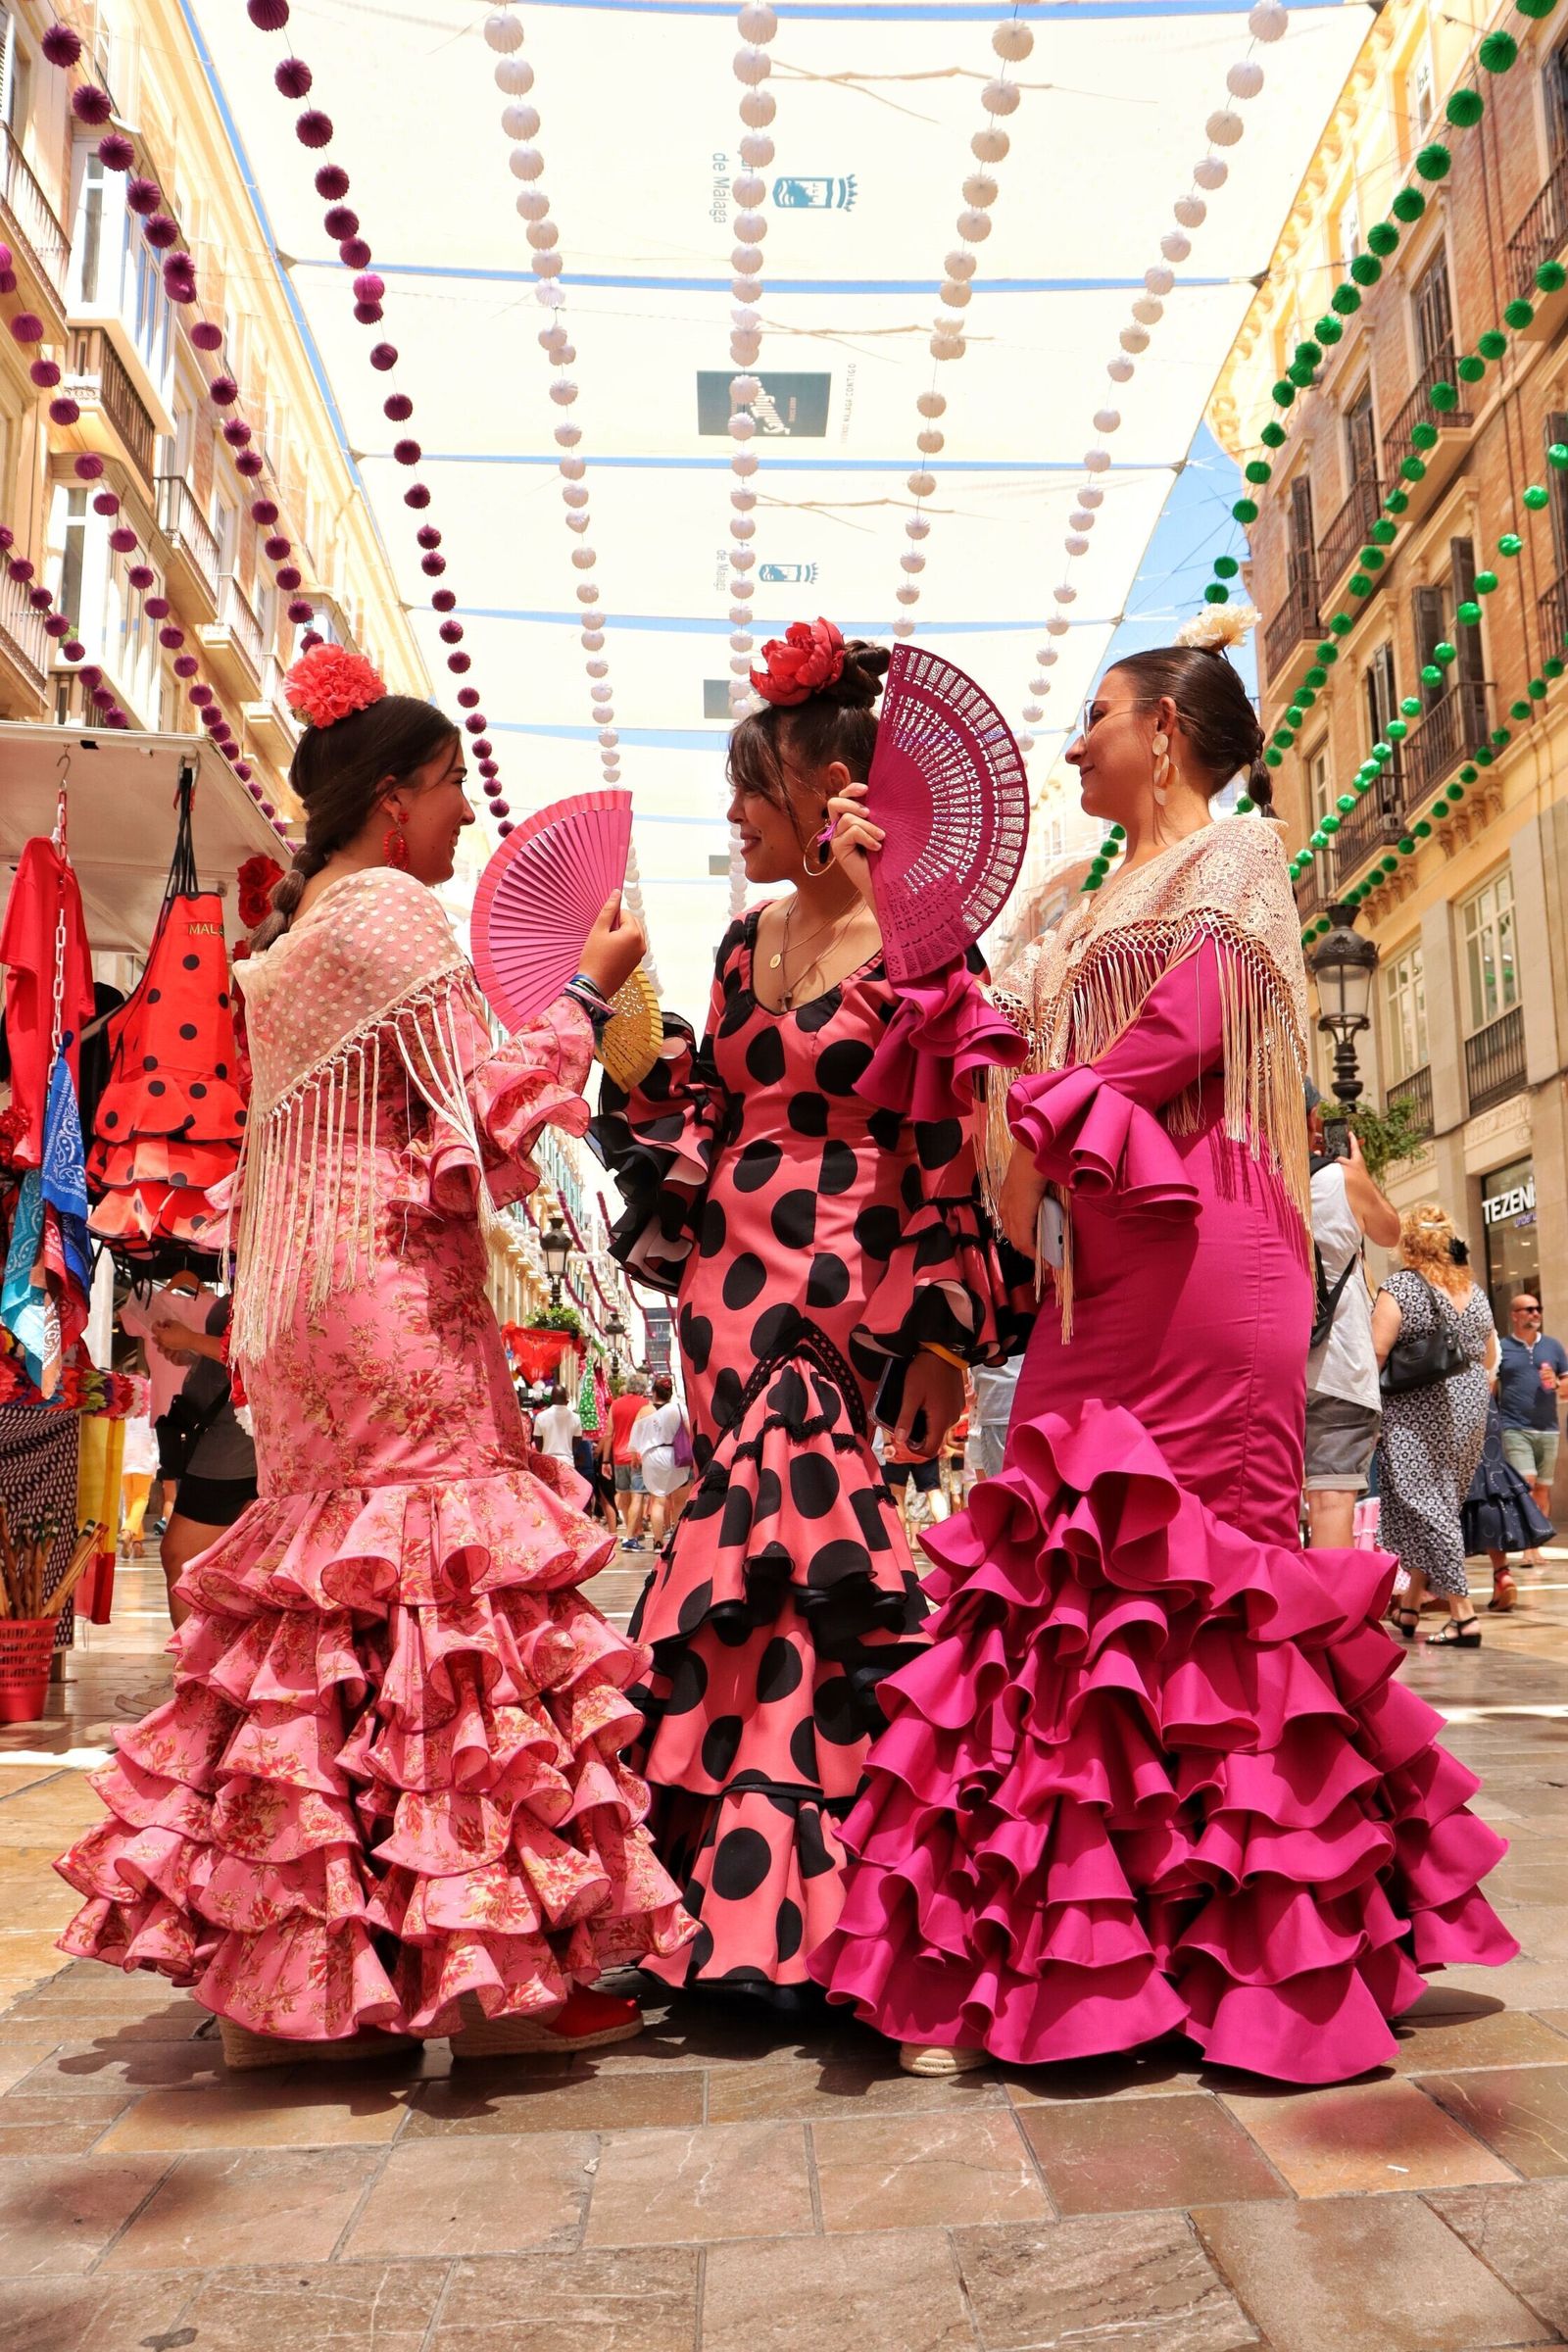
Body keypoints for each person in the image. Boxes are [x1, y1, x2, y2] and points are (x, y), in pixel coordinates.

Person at [808, 608, 1515, 2083]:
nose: (1073, 744)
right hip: (1093, 1265)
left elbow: (1182, 1036)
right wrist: (892, 887)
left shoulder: (1239, 853)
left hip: (1208, 1243)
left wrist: (1044, 1085)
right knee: (1075, 1566)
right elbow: (967, 1009)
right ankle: (1097, 1951)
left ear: (1168, 733)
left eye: (1099, 717)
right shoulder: (1071, 889)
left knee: (1213, 1555)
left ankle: (1260, 1956)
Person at [57, 643, 691, 2065]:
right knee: (438, 1595)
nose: (466, 819)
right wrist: (586, 997)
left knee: (315, 1609)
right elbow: (489, 1101)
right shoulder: (397, 915)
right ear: (394, 798)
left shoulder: (286, 941)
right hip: (395, 1296)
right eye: (452, 790)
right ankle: (484, 1978)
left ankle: (296, 1998)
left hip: (298, 1298)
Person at [593, 618, 1021, 2002]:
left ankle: (789, 1919)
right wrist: (615, 1030)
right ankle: (746, 1912)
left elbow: (955, 1131)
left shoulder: (924, 948)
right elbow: (701, 1105)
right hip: (722, 1289)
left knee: (801, 1561)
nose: (732, 817)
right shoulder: (737, 942)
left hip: (843, 1283)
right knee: (751, 1566)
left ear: (833, 788)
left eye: (750, 789)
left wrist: (949, 1331)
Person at [1374, 1207, 1499, 1647]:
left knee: (1426, 1504)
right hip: (1468, 1407)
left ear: (1408, 1243)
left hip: (1414, 1409)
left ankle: (1463, 1613)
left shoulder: (1402, 1288)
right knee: (1441, 1503)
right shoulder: (1473, 1290)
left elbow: (1375, 1352)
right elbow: (1488, 1355)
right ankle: (1410, 1605)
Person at [1304, 1104, 1400, 1549]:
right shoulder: (1340, 1180)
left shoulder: (1250, 1182)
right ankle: (1327, 1616)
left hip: (1269, 1368)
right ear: (1312, 1124)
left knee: (1274, 1505)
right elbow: (1390, 1231)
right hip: (1340, 1367)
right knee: (1330, 1502)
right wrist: (1360, 1173)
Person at [148, 1295, 258, 1629]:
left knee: (181, 1554)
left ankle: (193, 1664)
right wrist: (191, 1354)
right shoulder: (251, 1275)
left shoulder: (274, 1276)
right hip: (226, 1441)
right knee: (239, 1562)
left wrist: (191, 1340)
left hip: (231, 1448)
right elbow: (231, 1356)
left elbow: (255, 1354)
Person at [1463, 1396, 1554, 1610]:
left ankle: (1430, 1586)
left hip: (1439, 1399)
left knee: (1447, 1487)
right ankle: (1502, 1575)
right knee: (1489, 1478)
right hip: (1481, 1401)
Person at [1496, 1292, 1565, 1571]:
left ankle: (1536, 1546)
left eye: (1538, 1308)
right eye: (1529, 1309)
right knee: (1526, 1483)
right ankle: (1526, 1547)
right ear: (1515, 1315)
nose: (1536, 1313)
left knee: (1542, 1489)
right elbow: (1490, 1386)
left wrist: (1557, 1384)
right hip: (1514, 1426)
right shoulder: (1502, 1348)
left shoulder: (1553, 1347)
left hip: (1548, 1430)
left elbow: (1567, 1388)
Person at [632, 1372, 691, 1542]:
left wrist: (635, 1457)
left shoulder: (645, 1410)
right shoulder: (679, 1409)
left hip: (652, 1456)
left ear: (654, 1392)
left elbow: (636, 1435)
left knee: (658, 1500)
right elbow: (689, 1432)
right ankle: (677, 1539)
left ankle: (658, 1541)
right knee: (679, 1501)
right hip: (675, 1456)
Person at [604, 1372, 652, 1549]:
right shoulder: (646, 1405)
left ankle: (636, 1530)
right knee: (638, 1496)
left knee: (623, 1494)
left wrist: (605, 1461)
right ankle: (630, 1536)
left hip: (618, 1456)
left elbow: (609, 1434)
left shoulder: (616, 1404)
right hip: (638, 1456)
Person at [882, 1424, 950, 1540]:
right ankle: (948, 1538)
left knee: (897, 1498)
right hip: (926, 1448)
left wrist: (887, 1442)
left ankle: (900, 1546)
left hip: (898, 1449)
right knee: (934, 1492)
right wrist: (941, 1441)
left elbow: (884, 1419)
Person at [118, 1378, 157, 1561]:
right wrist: (157, 1463)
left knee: (130, 1501)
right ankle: (128, 1530)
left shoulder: (124, 1410)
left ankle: (137, 1544)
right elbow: (156, 1438)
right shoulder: (150, 1411)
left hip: (125, 1459)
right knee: (141, 1498)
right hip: (143, 1458)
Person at [532, 1383, 581, 1463]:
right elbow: (576, 1442)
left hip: (547, 1462)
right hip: (568, 1462)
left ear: (551, 1400)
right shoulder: (576, 1418)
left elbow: (538, 1443)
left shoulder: (540, 1417)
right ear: (566, 1400)